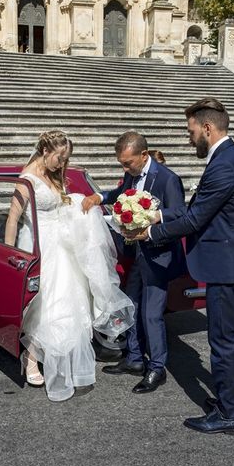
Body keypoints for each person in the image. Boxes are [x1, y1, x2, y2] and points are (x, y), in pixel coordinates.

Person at [125, 98, 234, 435]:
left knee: (223, 341)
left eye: (191, 131)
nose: (189, 138)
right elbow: (198, 208)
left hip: (226, 266)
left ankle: (228, 414)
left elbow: (195, 218)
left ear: (207, 127)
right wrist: (158, 214)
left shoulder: (224, 165)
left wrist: (150, 232)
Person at [5, 130, 135, 402]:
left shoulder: (55, 176)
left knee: (68, 305)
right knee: (42, 306)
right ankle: (30, 357)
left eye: (65, 159)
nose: (61, 164)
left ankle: (60, 362)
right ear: (44, 151)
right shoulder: (26, 180)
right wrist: (11, 255)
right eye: (58, 157)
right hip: (38, 246)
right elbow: (12, 219)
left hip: (64, 248)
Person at [81, 131, 186, 395]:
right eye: (122, 164)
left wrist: (152, 216)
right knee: (132, 304)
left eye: (128, 163)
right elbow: (120, 193)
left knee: (151, 313)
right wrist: (101, 197)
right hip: (137, 252)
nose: (125, 168)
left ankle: (157, 368)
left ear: (143, 155)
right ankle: (135, 359)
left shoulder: (168, 178)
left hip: (159, 254)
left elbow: (180, 212)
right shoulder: (132, 174)